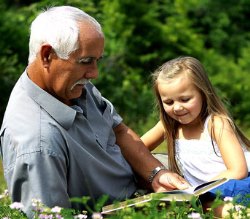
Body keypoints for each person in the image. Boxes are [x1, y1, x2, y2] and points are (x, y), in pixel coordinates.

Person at [0, 6, 189, 218]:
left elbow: (118, 131)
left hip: (140, 184)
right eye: (86, 61)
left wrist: (156, 174)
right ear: (47, 55)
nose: (94, 73)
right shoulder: (38, 142)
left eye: (97, 60)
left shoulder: (70, 85)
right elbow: (51, 215)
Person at [141, 56, 250, 217]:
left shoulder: (216, 123)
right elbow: (137, 149)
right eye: (169, 102)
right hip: (200, 194)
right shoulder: (169, 125)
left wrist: (201, 190)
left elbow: (238, 170)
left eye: (185, 99)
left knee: (213, 205)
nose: (177, 107)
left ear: (203, 93)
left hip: (236, 184)